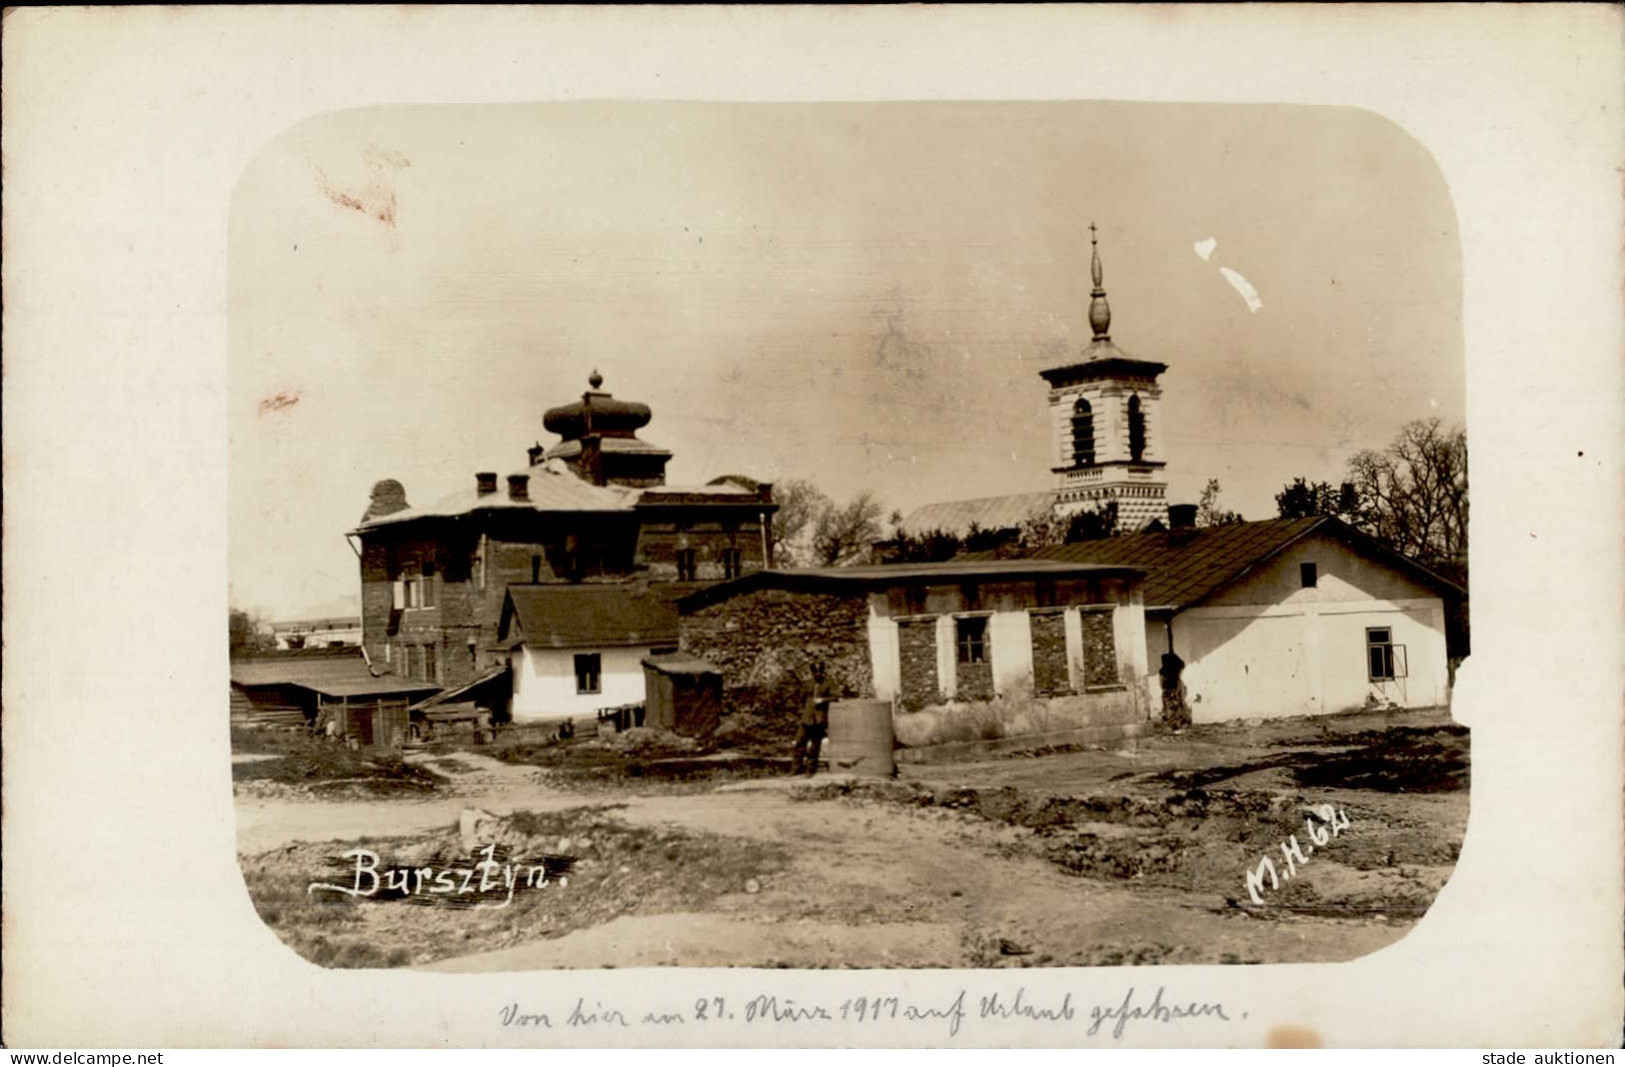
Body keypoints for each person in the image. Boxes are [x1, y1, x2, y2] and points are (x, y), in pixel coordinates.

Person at [791, 661, 838, 776]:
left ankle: (810, 770)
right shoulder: (808, 684)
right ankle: (796, 768)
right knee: (799, 742)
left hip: (819, 719)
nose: (818, 674)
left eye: (820, 672)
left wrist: (822, 700)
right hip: (807, 718)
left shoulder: (828, 683)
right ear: (812, 673)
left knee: (814, 746)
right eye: (815, 672)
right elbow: (801, 698)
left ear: (823, 672)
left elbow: (835, 697)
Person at [1159, 650, 1191, 731]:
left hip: (1174, 702)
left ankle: (1176, 725)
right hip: (1173, 702)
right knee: (1173, 712)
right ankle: (1175, 725)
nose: (1181, 672)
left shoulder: (1173, 681)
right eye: (1180, 671)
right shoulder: (1171, 680)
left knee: (1174, 711)